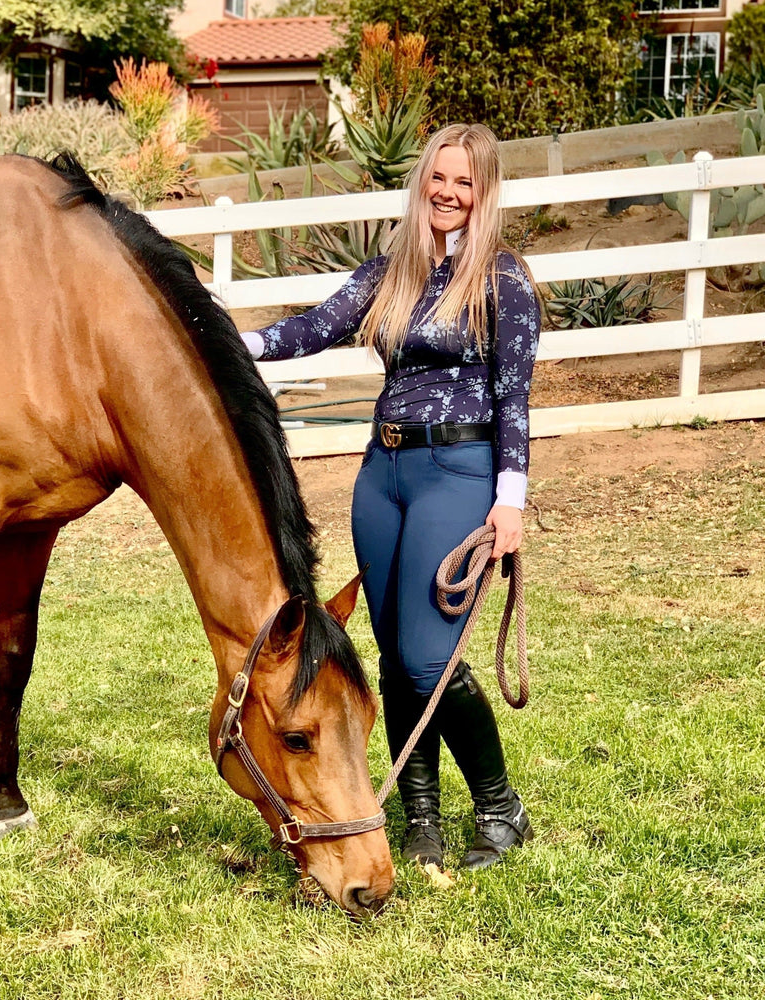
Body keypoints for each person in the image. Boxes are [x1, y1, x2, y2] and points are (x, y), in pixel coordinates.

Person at [240, 123, 540, 872]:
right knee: (397, 655)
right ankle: (421, 818)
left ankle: (501, 806)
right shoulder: (391, 271)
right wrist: (231, 340)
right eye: (439, 177)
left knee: (429, 658)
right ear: (422, 182)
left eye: (464, 182)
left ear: (484, 192)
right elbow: (313, 328)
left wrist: (510, 499)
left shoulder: (504, 281)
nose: (448, 192)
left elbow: (515, 399)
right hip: (385, 474)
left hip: (460, 470)